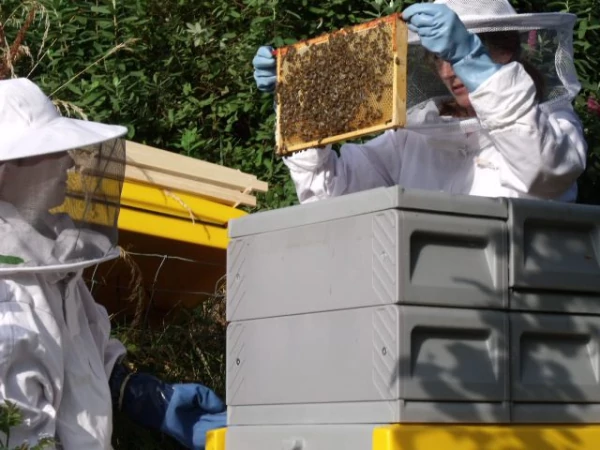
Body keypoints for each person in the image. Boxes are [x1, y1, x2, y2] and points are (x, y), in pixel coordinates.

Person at [0, 77, 226, 450]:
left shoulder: (48, 265)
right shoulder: (9, 310)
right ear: (8, 171)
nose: (69, 165)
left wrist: (135, 390)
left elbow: (84, 342)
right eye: (52, 153)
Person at [252, 0, 587, 204]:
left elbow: (542, 172)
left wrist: (477, 66)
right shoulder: (413, 137)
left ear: (508, 49)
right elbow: (331, 198)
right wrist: (301, 111)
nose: (448, 71)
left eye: (463, 53)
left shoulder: (557, 125)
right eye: (439, 57)